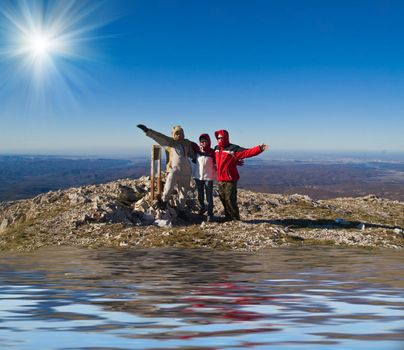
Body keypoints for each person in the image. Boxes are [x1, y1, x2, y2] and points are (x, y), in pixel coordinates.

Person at [137, 124, 196, 219]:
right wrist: (147, 131)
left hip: (186, 171)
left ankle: (181, 210)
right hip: (173, 170)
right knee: (168, 189)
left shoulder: (187, 143)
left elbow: (192, 153)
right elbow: (158, 136)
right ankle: (163, 202)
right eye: (177, 133)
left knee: (183, 192)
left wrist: (195, 158)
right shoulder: (169, 142)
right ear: (173, 134)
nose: (179, 135)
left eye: (181, 133)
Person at [214, 129, 268, 221]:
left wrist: (259, 148)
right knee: (223, 199)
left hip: (230, 179)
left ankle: (235, 219)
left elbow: (247, 152)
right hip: (220, 179)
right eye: (218, 138)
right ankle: (228, 217)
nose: (220, 139)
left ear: (226, 137)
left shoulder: (233, 148)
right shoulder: (216, 149)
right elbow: (215, 159)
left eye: (222, 137)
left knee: (230, 199)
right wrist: (235, 161)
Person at [192, 133, 216, 222]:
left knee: (209, 196)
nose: (203, 143)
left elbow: (219, 161)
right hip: (198, 177)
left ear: (208, 142)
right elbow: (191, 145)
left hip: (208, 177)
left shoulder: (212, 152)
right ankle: (202, 210)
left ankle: (210, 214)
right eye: (201, 142)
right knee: (200, 196)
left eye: (205, 141)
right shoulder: (197, 151)